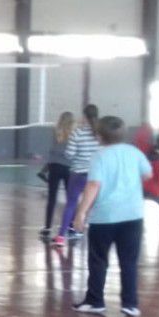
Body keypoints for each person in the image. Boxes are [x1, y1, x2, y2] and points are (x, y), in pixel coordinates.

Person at [71, 116, 152, 317]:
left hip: (105, 217)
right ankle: (130, 304)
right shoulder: (134, 153)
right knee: (129, 261)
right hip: (133, 215)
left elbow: (93, 184)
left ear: (99, 136)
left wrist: (80, 212)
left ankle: (95, 301)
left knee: (98, 260)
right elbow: (147, 174)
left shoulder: (99, 156)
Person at [54, 104, 100, 247]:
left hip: (78, 174)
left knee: (71, 204)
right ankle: (80, 230)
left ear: (84, 116)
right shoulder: (100, 135)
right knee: (91, 205)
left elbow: (69, 154)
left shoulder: (77, 133)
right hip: (95, 175)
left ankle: (61, 236)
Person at [41, 112, 75, 238]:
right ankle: (71, 226)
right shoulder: (74, 133)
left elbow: (53, 150)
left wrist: (46, 167)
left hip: (55, 166)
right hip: (68, 167)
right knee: (71, 198)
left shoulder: (55, 131)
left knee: (51, 198)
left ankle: (48, 227)